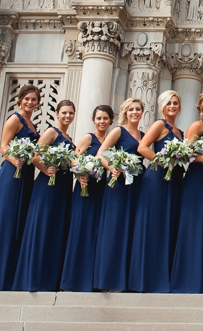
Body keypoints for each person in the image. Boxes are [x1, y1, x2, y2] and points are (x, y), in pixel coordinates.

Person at [0, 85, 42, 292]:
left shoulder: (33, 125)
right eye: (27, 99)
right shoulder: (15, 119)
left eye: (33, 100)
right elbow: (3, 146)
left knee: (19, 224)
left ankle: (11, 278)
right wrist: (13, 160)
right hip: (11, 175)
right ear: (20, 100)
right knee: (5, 222)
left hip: (26, 176)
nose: (30, 102)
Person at [12, 99, 76, 291]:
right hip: (48, 186)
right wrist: (46, 169)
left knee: (56, 230)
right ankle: (33, 278)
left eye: (71, 113)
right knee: (43, 226)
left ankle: (49, 279)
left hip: (63, 187)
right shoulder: (51, 132)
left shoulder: (69, 138)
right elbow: (35, 156)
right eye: (64, 112)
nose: (67, 116)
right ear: (57, 114)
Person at [128, 91, 185, 293]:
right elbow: (143, 147)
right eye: (169, 103)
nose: (172, 106)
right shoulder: (159, 125)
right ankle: (146, 279)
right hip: (157, 179)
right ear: (162, 106)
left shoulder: (180, 132)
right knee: (153, 225)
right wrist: (160, 160)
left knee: (168, 225)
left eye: (175, 103)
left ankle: (164, 277)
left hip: (175, 180)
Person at [171, 91, 203, 293]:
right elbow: (183, 153)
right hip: (196, 179)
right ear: (200, 106)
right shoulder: (197, 125)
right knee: (195, 225)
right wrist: (202, 159)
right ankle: (188, 281)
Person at [60, 104, 113, 291]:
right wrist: (80, 173)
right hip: (85, 188)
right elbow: (74, 158)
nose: (101, 121)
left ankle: (90, 279)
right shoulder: (88, 138)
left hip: (101, 190)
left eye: (105, 118)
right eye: (99, 118)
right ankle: (73, 280)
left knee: (96, 232)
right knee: (81, 228)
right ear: (93, 120)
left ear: (111, 121)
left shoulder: (108, 141)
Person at [93, 98, 144, 292]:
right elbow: (101, 154)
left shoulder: (143, 134)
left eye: (138, 109)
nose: (134, 112)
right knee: (115, 228)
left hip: (137, 186)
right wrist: (113, 167)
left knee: (131, 229)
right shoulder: (118, 131)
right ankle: (108, 280)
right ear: (125, 111)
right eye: (131, 109)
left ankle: (126, 280)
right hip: (118, 185)